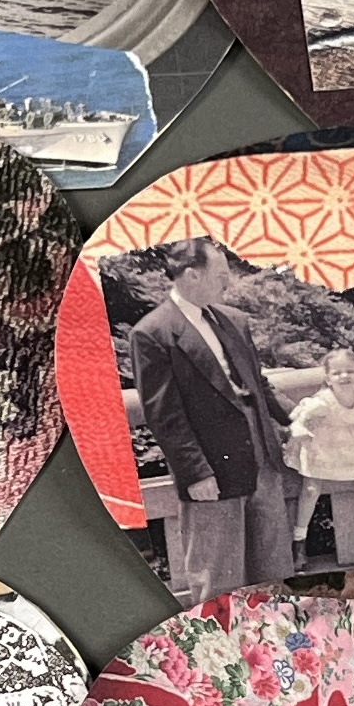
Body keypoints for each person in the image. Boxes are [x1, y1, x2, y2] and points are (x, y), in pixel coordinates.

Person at [129, 241, 297, 602]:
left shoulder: (234, 320)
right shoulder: (153, 333)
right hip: (212, 468)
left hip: (261, 458)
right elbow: (164, 414)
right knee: (218, 578)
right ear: (192, 275)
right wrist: (195, 473)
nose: (228, 283)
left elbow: (256, 382)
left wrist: (295, 417)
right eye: (221, 275)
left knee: (275, 571)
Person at [284, 347, 354, 567]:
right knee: (311, 488)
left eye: (350, 371)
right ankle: (299, 539)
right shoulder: (321, 402)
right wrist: (300, 432)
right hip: (323, 445)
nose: (344, 376)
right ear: (328, 379)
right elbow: (301, 420)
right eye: (337, 373)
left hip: (353, 443)